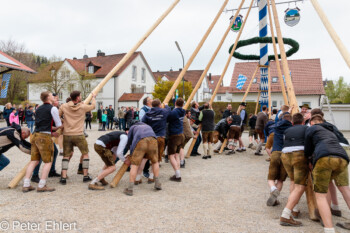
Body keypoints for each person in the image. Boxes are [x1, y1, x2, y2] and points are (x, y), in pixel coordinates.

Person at [305, 114, 350, 233]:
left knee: (320, 195)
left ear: (312, 122)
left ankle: (329, 229)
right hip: (343, 158)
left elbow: (308, 148)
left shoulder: (312, 128)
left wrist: (309, 160)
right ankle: (331, 209)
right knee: (337, 185)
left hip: (325, 157)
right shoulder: (330, 128)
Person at [22, 91, 62, 193]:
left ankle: (26, 184)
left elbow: (42, 123)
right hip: (44, 137)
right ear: (48, 98)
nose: (53, 97)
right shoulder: (53, 108)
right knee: (48, 161)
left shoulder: (38, 108)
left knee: (34, 161)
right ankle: (42, 185)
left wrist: (50, 131)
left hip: (35, 135)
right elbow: (58, 124)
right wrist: (64, 125)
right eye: (52, 95)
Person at [59, 90, 96, 185]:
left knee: (66, 156)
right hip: (79, 134)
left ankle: (63, 177)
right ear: (78, 98)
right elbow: (93, 106)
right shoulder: (83, 107)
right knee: (85, 154)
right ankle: (85, 175)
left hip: (67, 134)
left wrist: (64, 121)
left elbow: (57, 116)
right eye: (80, 96)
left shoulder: (64, 106)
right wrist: (93, 97)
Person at [279, 113, 308, 226]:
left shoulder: (287, 130)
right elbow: (309, 142)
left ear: (292, 122)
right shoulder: (306, 128)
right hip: (299, 153)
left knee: (292, 180)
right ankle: (286, 214)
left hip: (285, 154)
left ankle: (294, 209)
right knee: (300, 185)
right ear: (302, 121)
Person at [123, 122, 161, 196]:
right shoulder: (148, 126)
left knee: (134, 164)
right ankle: (157, 183)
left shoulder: (133, 127)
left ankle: (130, 189)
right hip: (153, 140)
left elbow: (129, 142)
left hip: (141, 140)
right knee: (155, 162)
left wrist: (131, 154)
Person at [31, 95, 61, 182]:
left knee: (55, 151)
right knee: (40, 155)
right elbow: (43, 124)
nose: (57, 101)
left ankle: (51, 171)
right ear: (51, 99)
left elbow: (47, 124)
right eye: (56, 99)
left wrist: (52, 132)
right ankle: (35, 175)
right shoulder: (50, 108)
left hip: (44, 133)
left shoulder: (51, 108)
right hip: (42, 135)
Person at [141, 99, 171, 182]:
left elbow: (142, 123)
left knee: (146, 157)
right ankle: (151, 177)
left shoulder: (148, 113)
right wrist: (166, 104)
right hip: (160, 138)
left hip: (150, 137)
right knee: (156, 159)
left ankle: (137, 177)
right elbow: (169, 110)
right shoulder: (163, 112)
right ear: (160, 105)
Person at [266, 113, 292, 206]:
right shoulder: (291, 129)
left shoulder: (276, 127)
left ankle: (273, 189)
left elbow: (278, 118)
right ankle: (275, 198)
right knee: (280, 180)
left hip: (276, 152)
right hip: (285, 154)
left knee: (271, 178)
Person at [167, 98, 185, 182]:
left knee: (171, 155)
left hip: (174, 135)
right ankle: (178, 173)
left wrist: (166, 107)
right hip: (181, 134)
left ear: (175, 104)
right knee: (176, 155)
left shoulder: (174, 112)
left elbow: (168, 118)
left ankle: (178, 176)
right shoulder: (183, 111)